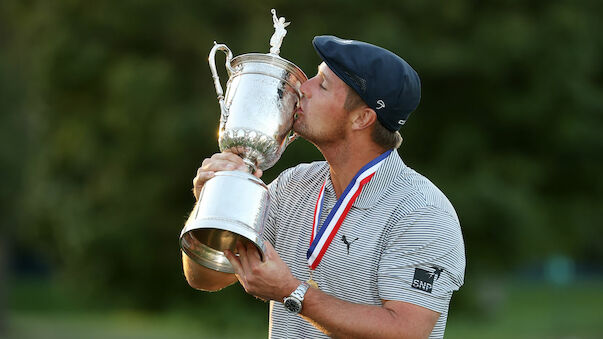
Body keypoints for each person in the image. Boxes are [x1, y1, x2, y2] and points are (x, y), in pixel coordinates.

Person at [183, 35, 466, 339]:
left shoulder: (422, 213)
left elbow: (406, 331)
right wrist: (213, 202)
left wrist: (294, 293)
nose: (302, 89)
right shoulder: (294, 185)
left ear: (362, 118)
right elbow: (206, 276)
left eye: (322, 84)